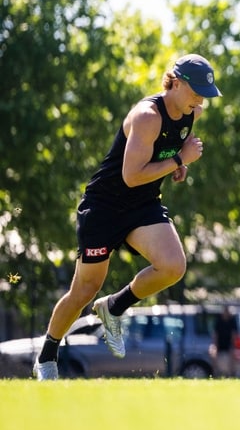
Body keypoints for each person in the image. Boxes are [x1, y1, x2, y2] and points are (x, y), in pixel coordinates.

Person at [33, 54, 221, 381]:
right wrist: (179, 158)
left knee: (173, 266)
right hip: (104, 207)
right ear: (175, 82)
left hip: (143, 205)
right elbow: (132, 174)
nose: (200, 99)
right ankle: (48, 355)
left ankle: (115, 307)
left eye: (205, 93)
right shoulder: (147, 116)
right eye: (196, 91)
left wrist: (179, 165)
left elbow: (158, 158)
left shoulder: (193, 112)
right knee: (84, 289)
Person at [212, 307, 240, 377]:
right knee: (212, 353)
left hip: (229, 345)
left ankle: (231, 374)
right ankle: (216, 373)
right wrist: (215, 346)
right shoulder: (218, 322)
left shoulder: (232, 322)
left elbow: (234, 336)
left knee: (233, 353)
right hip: (219, 345)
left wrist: (232, 346)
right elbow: (215, 335)